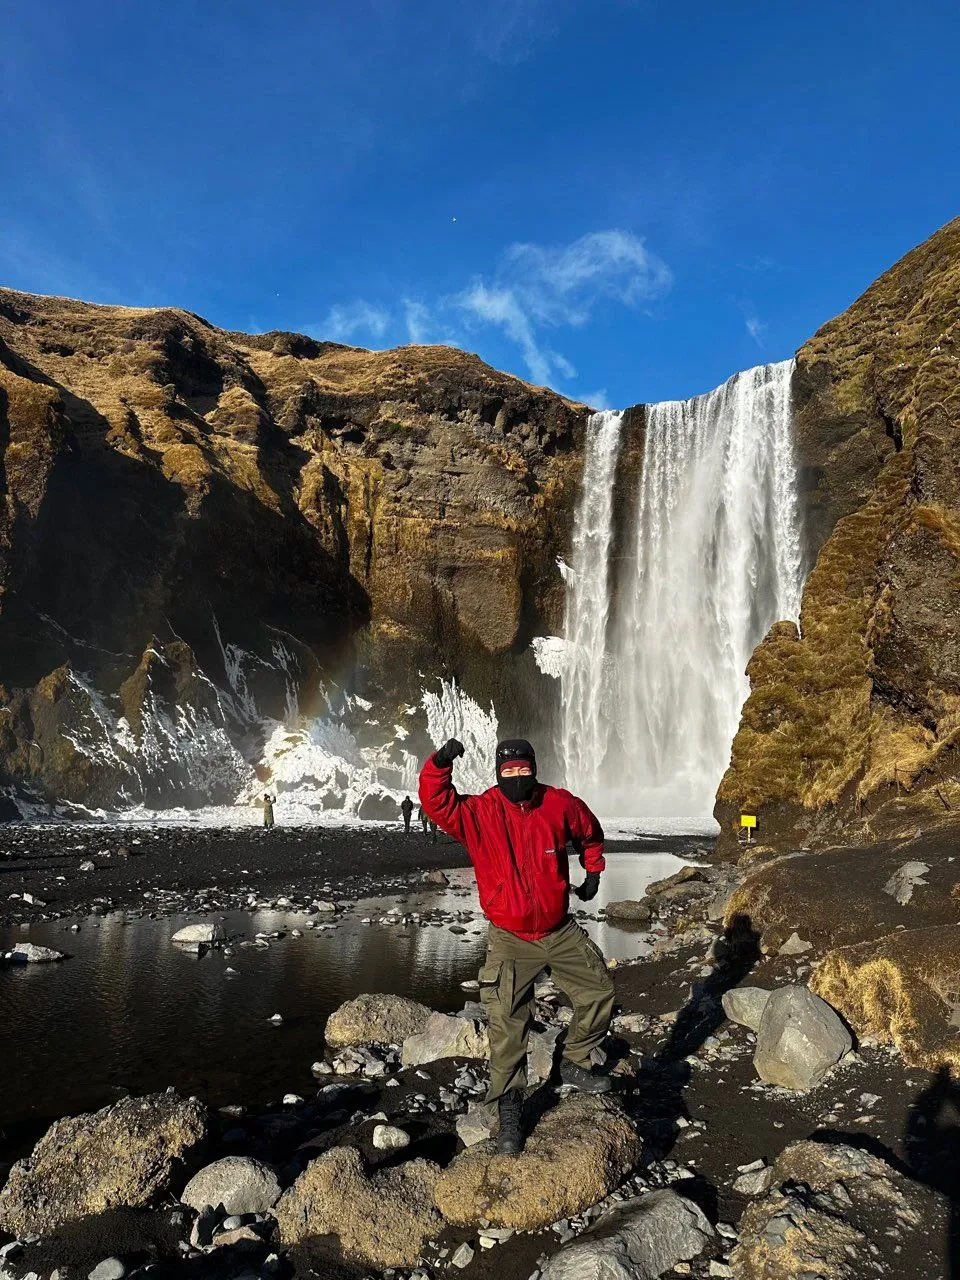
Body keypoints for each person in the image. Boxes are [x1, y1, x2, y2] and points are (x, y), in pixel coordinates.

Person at [419, 736, 613, 1156]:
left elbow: (590, 832)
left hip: (559, 930)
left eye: (524, 769)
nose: (517, 777)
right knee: (507, 1023)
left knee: (599, 992)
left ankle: (574, 1061)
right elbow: (436, 802)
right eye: (509, 771)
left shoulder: (559, 803)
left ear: (534, 768)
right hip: (510, 937)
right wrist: (439, 763)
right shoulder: (480, 813)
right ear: (498, 773)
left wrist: (593, 871)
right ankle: (509, 1107)